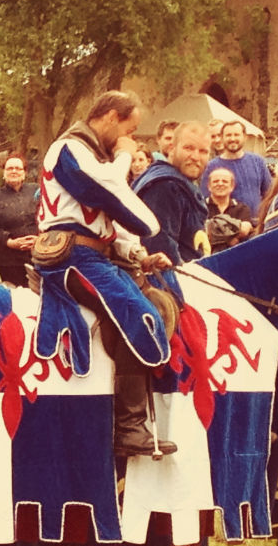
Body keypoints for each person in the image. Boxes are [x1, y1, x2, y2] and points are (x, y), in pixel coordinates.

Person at [34, 90, 176, 456]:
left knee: (149, 301)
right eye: (129, 128)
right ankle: (128, 428)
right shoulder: (69, 149)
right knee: (140, 315)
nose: (130, 138)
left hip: (94, 254)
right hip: (73, 257)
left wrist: (138, 254)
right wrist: (125, 156)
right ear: (111, 117)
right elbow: (108, 190)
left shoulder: (95, 158)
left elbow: (107, 220)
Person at [133, 122, 212, 265]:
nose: (195, 157)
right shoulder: (165, 186)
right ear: (172, 149)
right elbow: (160, 251)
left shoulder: (181, 182)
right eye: (189, 148)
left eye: (203, 151)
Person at [0, 156, 40, 288]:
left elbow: (47, 217)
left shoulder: (36, 191)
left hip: (38, 254)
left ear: (24, 173)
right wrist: (9, 242)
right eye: (10, 168)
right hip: (8, 259)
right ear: (4, 173)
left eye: (18, 168)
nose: (14, 171)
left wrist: (39, 239)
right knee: (15, 299)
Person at [200, 120, 273, 214]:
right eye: (228, 135)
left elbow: (269, 194)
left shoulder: (258, 162)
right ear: (222, 138)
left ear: (245, 137)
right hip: (227, 225)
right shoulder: (211, 166)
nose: (232, 139)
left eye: (236, 135)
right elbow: (205, 200)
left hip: (256, 223)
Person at [204, 167, 255, 253]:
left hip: (235, 257)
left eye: (225, 181)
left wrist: (212, 228)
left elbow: (245, 230)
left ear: (232, 186)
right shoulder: (200, 207)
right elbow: (200, 231)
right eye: (215, 181)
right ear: (209, 186)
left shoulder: (242, 208)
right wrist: (231, 237)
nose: (220, 184)